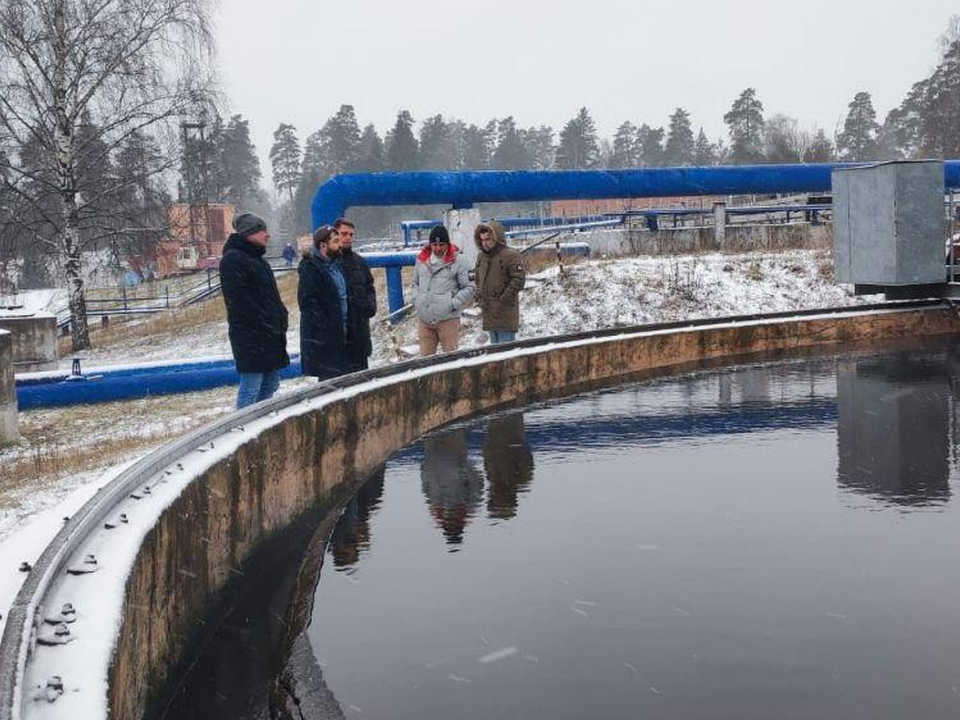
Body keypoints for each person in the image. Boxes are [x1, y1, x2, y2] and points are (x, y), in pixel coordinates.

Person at [219, 212, 290, 409]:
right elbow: (239, 303)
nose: (267, 235)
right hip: (251, 336)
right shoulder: (233, 260)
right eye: (261, 231)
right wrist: (264, 322)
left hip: (270, 334)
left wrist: (281, 317)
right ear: (247, 233)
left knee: (271, 384)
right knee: (251, 387)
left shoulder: (259, 261)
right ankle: (243, 429)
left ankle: (262, 424)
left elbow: (272, 297)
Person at [298, 225, 351, 380]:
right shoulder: (310, 268)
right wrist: (325, 329)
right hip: (325, 338)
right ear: (323, 245)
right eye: (335, 241)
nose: (340, 245)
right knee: (330, 382)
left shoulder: (336, 266)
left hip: (342, 332)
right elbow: (308, 303)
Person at [412, 225, 475, 355]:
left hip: (448, 319)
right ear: (430, 244)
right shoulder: (421, 260)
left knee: (450, 360)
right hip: (425, 320)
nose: (438, 248)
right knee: (425, 363)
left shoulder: (459, 260)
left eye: (442, 244)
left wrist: (453, 303)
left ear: (447, 244)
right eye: (435, 244)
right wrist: (417, 300)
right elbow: (415, 283)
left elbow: (470, 286)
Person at [335, 217, 377, 370]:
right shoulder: (329, 263)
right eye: (344, 233)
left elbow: (369, 287)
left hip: (360, 331)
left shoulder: (359, 262)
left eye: (351, 235)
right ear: (335, 234)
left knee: (361, 380)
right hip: (339, 335)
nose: (348, 238)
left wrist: (370, 307)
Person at [474, 220, 526, 344]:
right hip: (489, 313)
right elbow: (478, 279)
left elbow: (519, 279)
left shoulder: (510, 255)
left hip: (505, 313)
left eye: (488, 239)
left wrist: (503, 298)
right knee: (495, 354)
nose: (484, 243)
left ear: (496, 238)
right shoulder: (481, 257)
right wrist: (479, 296)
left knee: (506, 353)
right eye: (482, 240)